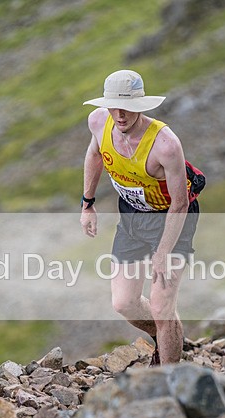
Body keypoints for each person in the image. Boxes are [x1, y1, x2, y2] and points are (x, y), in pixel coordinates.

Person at [81, 69, 200, 365]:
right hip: (133, 215)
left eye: (128, 108)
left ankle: (169, 377)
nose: (120, 115)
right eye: (114, 107)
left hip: (171, 218)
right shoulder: (98, 122)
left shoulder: (165, 145)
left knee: (161, 307)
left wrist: (163, 252)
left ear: (141, 106)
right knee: (124, 303)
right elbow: (95, 154)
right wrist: (87, 203)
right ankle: (167, 336)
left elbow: (180, 204)